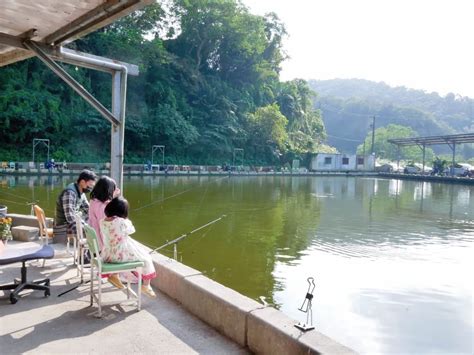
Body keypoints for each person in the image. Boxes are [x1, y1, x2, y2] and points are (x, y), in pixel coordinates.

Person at [100, 197, 157, 298]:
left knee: (139, 254)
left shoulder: (102, 221)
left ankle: (114, 275)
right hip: (119, 256)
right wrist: (126, 220)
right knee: (147, 259)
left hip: (107, 255)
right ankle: (146, 285)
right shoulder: (122, 222)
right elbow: (132, 230)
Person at [54, 169, 97, 243]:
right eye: (90, 185)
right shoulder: (70, 193)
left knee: (93, 223)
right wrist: (86, 225)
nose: (90, 188)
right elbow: (70, 218)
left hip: (72, 222)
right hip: (63, 226)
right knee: (89, 229)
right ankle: (91, 249)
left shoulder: (81, 192)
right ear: (83, 182)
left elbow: (88, 210)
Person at [88, 176, 120, 249]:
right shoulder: (102, 207)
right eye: (113, 189)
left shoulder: (93, 201)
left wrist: (113, 196)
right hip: (102, 244)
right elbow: (104, 228)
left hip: (95, 239)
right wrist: (114, 197)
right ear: (108, 190)